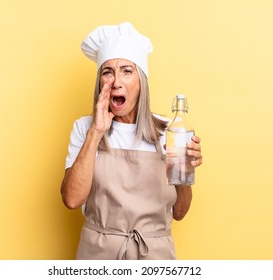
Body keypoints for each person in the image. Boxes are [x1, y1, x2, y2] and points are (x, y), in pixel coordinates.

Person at [61, 22, 202, 260]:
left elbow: (179, 212)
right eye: (108, 72)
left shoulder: (167, 131)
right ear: (100, 81)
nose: (116, 81)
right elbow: (72, 199)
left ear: (141, 81)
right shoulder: (85, 128)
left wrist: (185, 173)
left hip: (154, 258)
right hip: (98, 256)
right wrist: (96, 132)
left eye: (127, 71)